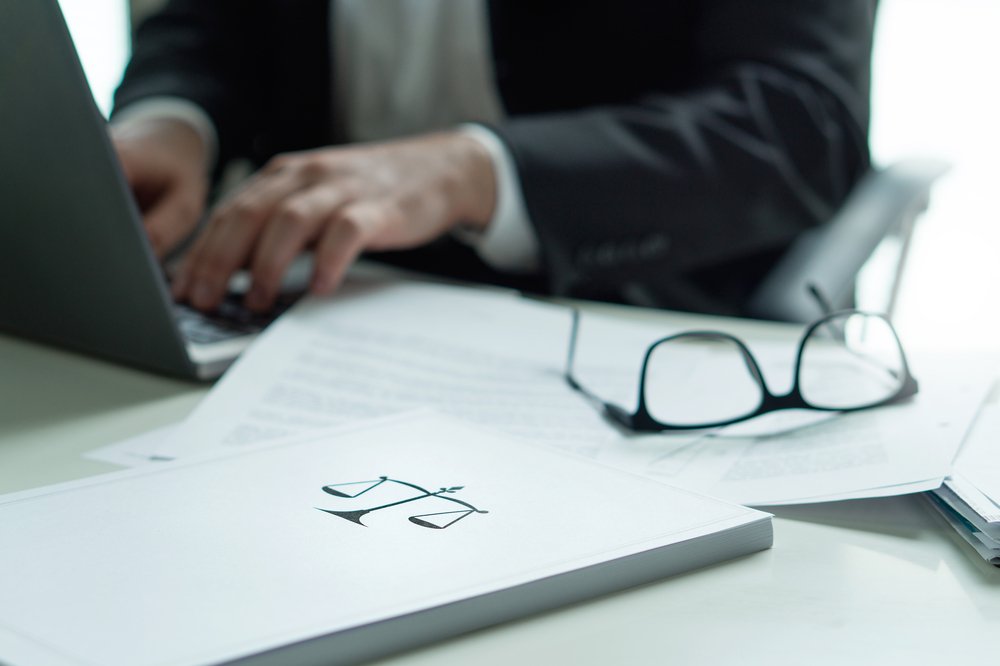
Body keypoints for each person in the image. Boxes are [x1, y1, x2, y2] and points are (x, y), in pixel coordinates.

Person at [111, 0, 876, 316]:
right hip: (300, 294)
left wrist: (473, 172)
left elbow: (799, 123)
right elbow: (209, 21)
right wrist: (176, 119)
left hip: (608, 302)